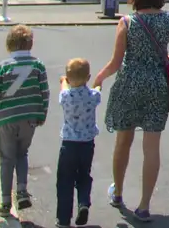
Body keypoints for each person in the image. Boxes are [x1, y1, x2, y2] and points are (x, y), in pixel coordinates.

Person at [92, 0, 169, 223]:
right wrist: (164, 61)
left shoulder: (127, 22)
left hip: (129, 84)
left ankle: (118, 193)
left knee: (123, 140)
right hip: (157, 85)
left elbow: (115, 63)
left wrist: (99, 78)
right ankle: (144, 205)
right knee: (151, 147)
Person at [0, 24, 50, 219]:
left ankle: (5, 202)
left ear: (10, 44)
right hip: (29, 118)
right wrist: (41, 114)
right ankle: (21, 190)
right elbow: (44, 93)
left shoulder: (4, 66)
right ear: (30, 43)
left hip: (8, 118)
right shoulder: (38, 65)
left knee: (6, 158)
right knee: (22, 153)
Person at [56, 58, 101, 228]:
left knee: (65, 180)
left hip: (69, 144)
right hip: (87, 144)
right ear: (88, 77)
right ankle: (83, 203)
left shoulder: (65, 96)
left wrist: (64, 81)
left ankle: (63, 218)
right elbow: (97, 90)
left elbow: (64, 89)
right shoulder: (93, 96)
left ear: (68, 78)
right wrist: (97, 84)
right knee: (83, 176)